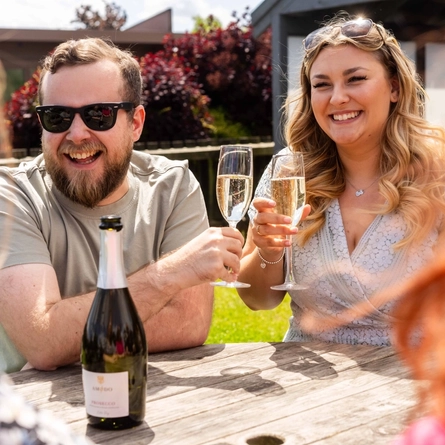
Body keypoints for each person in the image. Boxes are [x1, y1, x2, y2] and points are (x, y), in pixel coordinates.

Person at [0, 37, 245, 374]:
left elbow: (190, 322)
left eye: (98, 115)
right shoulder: (12, 195)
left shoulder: (172, 186)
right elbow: (44, 341)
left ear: (136, 123)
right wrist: (167, 276)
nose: (76, 134)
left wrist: (68, 339)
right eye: (56, 117)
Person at [237, 13, 445, 347]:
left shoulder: (437, 176)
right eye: (322, 85)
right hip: (310, 382)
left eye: (355, 79)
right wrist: (267, 250)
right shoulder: (289, 172)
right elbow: (258, 300)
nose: (337, 98)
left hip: (412, 375)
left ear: (394, 87)